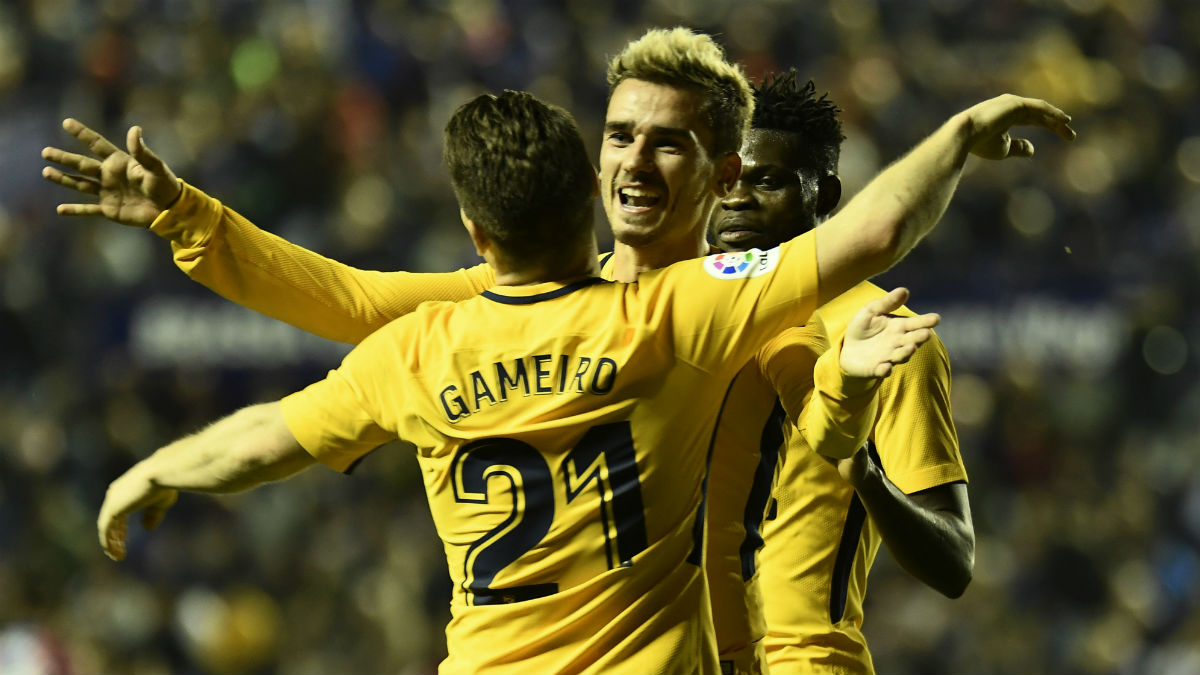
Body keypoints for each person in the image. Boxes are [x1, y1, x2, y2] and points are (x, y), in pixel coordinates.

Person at [47, 29, 1073, 673]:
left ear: (716, 172)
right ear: (590, 172)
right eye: (620, 134)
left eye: (664, 140)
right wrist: (186, 217)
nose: (634, 157)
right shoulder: (602, 308)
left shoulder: (828, 318)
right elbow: (352, 299)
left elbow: (942, 548)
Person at [710, 70, 973, 674]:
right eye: (724, 180)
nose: (739, 199)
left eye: (769, 181)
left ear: (824, 196)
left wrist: (866, 474)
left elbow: (953, 562)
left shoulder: (885, 332)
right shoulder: (669, 309)